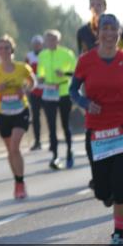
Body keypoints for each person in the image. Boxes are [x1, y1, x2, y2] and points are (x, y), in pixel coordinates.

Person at [69, 14, 123, 246]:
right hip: (96, 130)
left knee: (120, 184)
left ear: (118, 33)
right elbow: (73, 90)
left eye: (113, 29)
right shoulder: (85, 61)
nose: (109, 33)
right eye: (104, 29)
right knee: (103, 191)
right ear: (98, 34)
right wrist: (85, 103)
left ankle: (118, 234)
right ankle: (104, 191)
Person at [0, 35, 36, 199]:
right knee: (10, 151)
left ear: (12, 50)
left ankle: (20, 183)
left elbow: (33, 83)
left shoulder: (22, 68)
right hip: (3, 113)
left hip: (20, 111)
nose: (4, 51)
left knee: (14, 146)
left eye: (7, 48)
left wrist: (24, 90)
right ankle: (17, 181)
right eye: (1, 48)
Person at [37, 29, 77, 170]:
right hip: (49, 93)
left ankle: (69, 152)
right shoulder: (42, 55)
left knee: (65, 124)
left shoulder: (67, 53)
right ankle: (54, 156)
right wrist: (41, 77)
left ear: (58, 40)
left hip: (64, 92)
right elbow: (40, 71)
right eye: (48, 39)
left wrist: (64, 73)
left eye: (53, 39)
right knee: (51, 125)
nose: (51, 42)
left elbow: (76, 72)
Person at [26, 35, 45, 151]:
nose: (37, 46)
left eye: (39, 44)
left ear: (42, 45)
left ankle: (53, 139)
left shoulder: (46, 55)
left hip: (47, 90)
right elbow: (25, 72)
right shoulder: (29, 56)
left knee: (50, 116)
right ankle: (37, 141)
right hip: (34, 90)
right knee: (35, 117)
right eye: (35, 44)